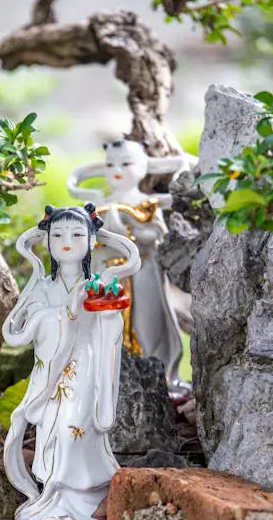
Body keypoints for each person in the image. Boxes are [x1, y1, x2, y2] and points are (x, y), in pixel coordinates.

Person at [2, 203, 140, 520]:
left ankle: (85, 503)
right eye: (59, 235)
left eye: (77, 234)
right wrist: (65, 312)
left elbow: (108, 323)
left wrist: (104, 312)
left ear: (92, 241)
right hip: (51, 373)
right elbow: (25, 329)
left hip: (86, 369)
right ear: (47, 241)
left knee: (74, 431)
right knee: (51, 432)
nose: (67, 242)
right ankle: (53, 499)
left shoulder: (95, 282)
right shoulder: (42, 287)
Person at [67, 138, 194, 399]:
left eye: (126, 163)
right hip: (106, 273)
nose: (118, 170)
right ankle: (108, 378)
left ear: (144, 166)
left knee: (147, 323)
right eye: (111, 164)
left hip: (142, 271)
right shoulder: (97, 207)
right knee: (103, 326)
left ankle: (157, 376)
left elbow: (157, 236)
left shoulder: (145, 204)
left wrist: (131, 233)